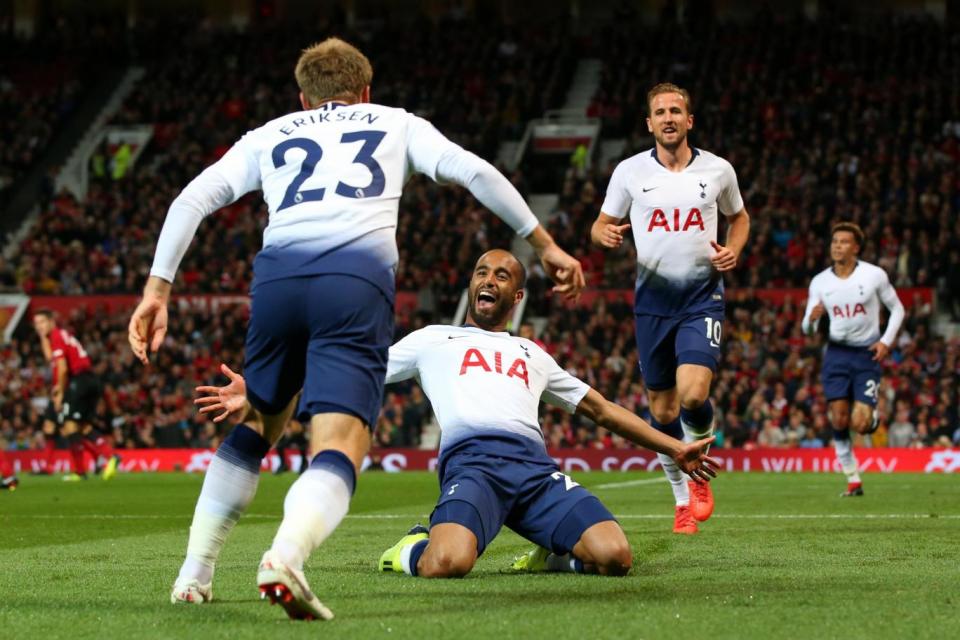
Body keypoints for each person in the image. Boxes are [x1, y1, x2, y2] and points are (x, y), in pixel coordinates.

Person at [127, 38, 584, 620]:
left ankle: (194, 573)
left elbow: (192, 199)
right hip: (354, 281)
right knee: (342, 442)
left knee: (257, 422)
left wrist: (157, 290)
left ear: (303, 96)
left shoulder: (270, 133)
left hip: (277, 279)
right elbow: (474, 171)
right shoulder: (397, 123)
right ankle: (287, 554)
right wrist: (543, 244)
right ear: (366, 90)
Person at [195, 250, 719, 584]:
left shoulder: (532, 352)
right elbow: (354, 369)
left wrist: (674, 447)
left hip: (535, 473)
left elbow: (601, 409)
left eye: (503, 275)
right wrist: (264, 389)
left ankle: (553, 550)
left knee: (616, 558)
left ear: (516, 297)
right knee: (448, 564)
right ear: (472, 286)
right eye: (481, 271)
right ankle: (410, 546)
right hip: (474, 469)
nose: (489, 279)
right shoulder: (432, 340)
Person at [590, 83, 750, 534]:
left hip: (702, 298)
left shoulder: (718, 171)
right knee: (661, 415)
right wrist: (602, 234)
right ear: (649, 123)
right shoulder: (629, 172)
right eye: (660, 112)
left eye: (676, 110)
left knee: (694, 394)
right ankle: (681, 500)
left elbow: (739, 217)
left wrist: (734, 249)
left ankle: (698, 474)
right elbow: (600, 224)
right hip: (652, 305)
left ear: (689, 120)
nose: (668, 118)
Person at [801, 222, 904, 497]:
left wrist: (885, 341)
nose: (837, 246)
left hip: (866, 353)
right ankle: (853, 479)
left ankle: (872, 415)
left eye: (844, 242)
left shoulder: (874, 275)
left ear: (856, 247)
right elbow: (806, 328)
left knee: (860, 424)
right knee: (838, 418)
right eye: (835, 241)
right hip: (835, 353)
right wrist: (812, 320)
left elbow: (897, 309)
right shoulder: (820, 282)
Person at [32, 310, 116, 481]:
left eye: (42, 322)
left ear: (51, 321)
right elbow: (52, 359)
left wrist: (59, 393)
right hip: (86, 381)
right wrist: (42, 336)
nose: (39, 326)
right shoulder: (58, 336)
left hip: (78, 381)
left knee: (69, 425)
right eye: (36, 323)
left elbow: (62, 368)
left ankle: (108, 457)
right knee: (77, 426)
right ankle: (84, 469)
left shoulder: (56, 336)